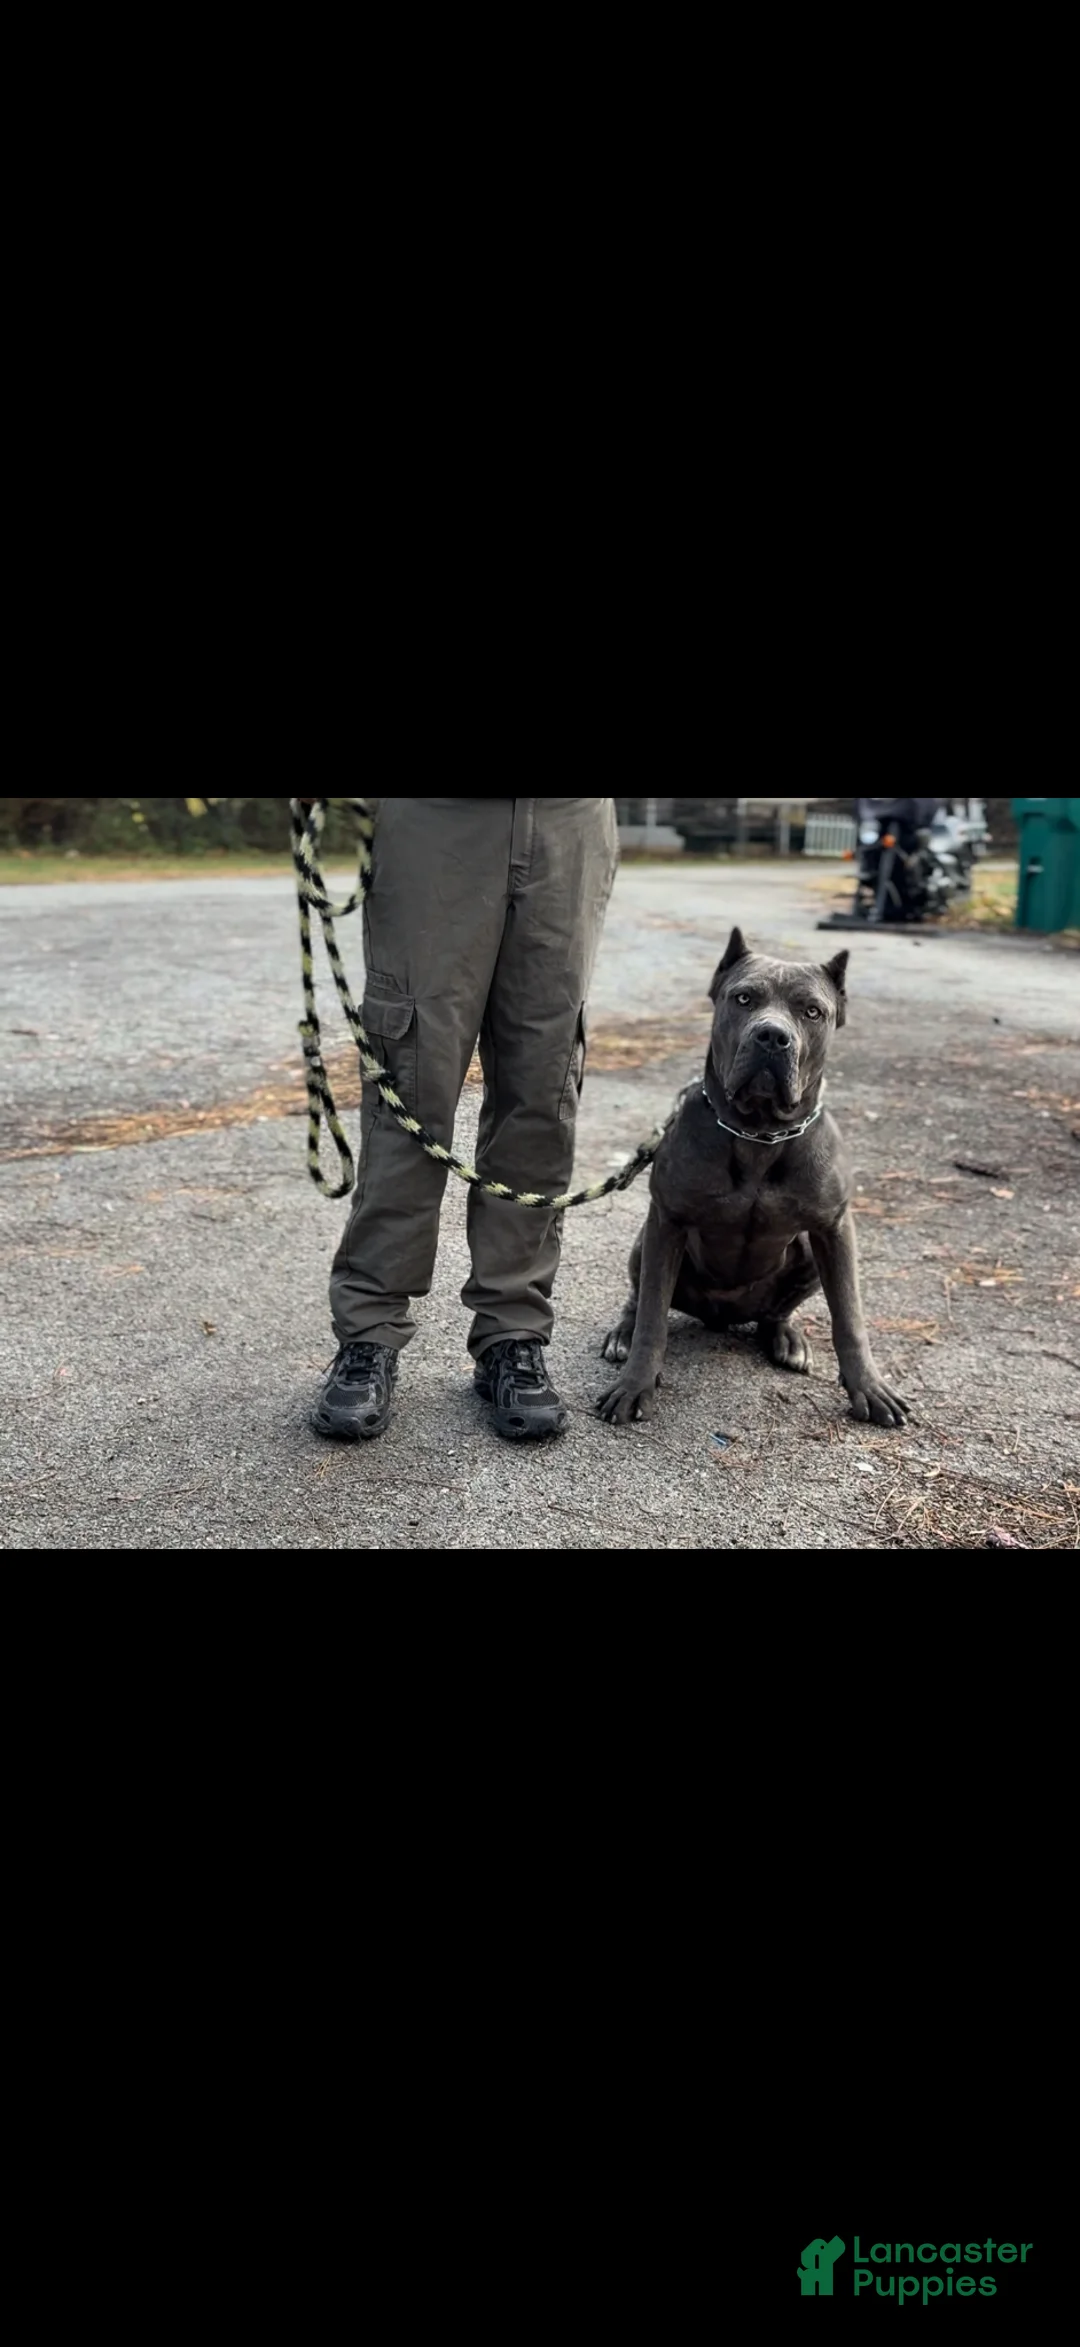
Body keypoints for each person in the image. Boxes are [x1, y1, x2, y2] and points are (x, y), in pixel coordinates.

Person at [303, 798, 620, 1442]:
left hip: (569, 821)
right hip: (435, 818)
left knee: (543, 1081)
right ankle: (368, 1332)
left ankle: (513, 1331)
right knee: (412, 1076)